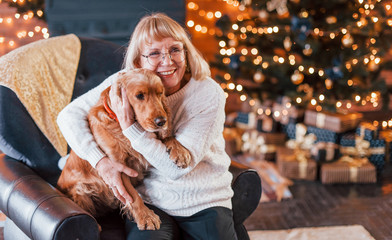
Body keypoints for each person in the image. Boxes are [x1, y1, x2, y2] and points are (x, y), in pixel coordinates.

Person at [57, 12, 237, 240]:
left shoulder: (208, 93)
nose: (167, 61)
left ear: (186, 52)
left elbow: (176, 170)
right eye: (154, 53)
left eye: (175, 49)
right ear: (138, 62)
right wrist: (99, 162)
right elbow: (68, 115)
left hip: (202, 201)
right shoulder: (125, 82)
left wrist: (130, 128)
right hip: (151, 198)